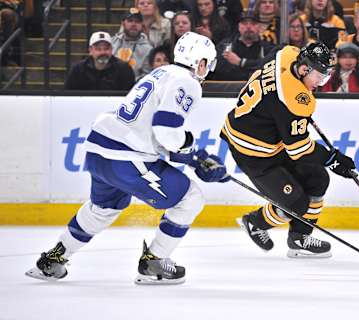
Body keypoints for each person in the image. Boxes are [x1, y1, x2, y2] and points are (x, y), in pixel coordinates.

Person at [26, 32, 227, 285]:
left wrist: (192, 157)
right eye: (206, 63)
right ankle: (154, 261)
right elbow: (165, 130)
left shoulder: (160, 73)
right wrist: (193, 153)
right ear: (199, 62)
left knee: (103, 209)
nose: (206, 69)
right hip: (127, 157)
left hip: (100, 150)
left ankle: (53, 260)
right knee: (191, 198)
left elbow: (152, 131)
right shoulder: (188, 82)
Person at [220, 41, 356, 258]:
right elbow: (299, 150)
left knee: (318, 179)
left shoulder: (289, 55)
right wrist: (332, 158)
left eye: (326, 76)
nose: (321, 83)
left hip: (267, 136)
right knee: (296, 204)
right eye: (319, 76)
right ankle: (256, 222)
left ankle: (299, 238)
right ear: (304, 69)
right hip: (252, 151)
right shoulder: (293, 100)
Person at [212, 9, 275, 80]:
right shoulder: (225, 45)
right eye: (244, 23)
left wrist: (241, 62)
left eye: (253, 23)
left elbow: (269, 67)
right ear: (239, 26)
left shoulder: (267, 47)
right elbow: (218, 68)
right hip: (229, 88)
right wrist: (251, 68)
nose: (248, 27)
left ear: (260, 27)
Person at [65, 31, 136, 90]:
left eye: (106, 48)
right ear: (90, 50)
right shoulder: (78, 69)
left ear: (111, 49)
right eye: (98, 49)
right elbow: (68, 94)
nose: (103, 52)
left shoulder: (124, 69)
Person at [112, 8, 153, 80]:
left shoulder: (148, 49)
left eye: (137, 22)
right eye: (130, 21)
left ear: (142, 25)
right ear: (123, 23)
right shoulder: (112, 42)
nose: (133, 24)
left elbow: (147, 75)